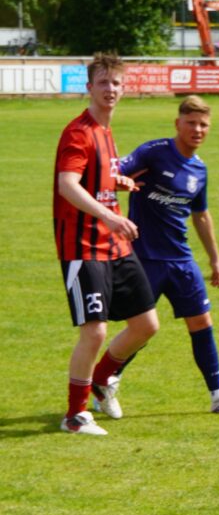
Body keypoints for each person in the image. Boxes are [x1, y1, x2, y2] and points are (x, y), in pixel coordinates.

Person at [115, 96, 219, 417]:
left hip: (182, 260)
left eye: (203, 125)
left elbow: (201, 215)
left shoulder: (199, 170)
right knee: (140, 329)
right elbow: (114, 174)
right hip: (146, 258)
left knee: (202, 322)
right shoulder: (154, 152)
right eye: (191, 123)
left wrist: (215, 259)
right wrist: (119, 184)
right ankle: (106, 382)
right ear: (178, 124)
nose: (197, 130)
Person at [53, 52, 159, 435]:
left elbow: (95, 177)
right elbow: (68, 184)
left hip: (113, 245)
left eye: (116, 83)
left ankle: (101, 380)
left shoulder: (106, 132)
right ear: (89, 88)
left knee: (146, 324)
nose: (110, 89)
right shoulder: (79, 131)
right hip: (83, 245)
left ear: (124, 88)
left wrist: (119, 184)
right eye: (103, 83)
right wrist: (111, 216)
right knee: (94, 330)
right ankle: (75, 415)